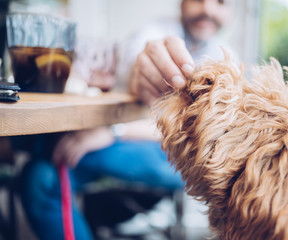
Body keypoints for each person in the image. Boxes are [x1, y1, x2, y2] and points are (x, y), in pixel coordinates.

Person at [18, 0, 235, 239]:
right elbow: (137, 59)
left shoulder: (229, 60)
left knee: (46, 151)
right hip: (123, 147)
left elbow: (204, 137)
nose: (207, 9)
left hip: (166, 156)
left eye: (220, 2)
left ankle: (38, 144)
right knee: (38, 178)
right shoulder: (155, 32)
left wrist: (113, 131)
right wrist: (140, 70)